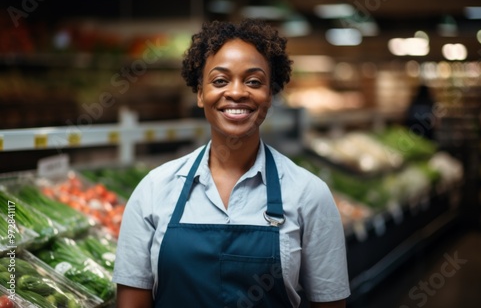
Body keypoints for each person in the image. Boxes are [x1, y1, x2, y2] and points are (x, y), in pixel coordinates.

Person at [112, 18, 350, 308]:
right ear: (200, 93)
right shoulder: (153, 190)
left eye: (253, 81)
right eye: (220, 80)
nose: (236, 92)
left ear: (270, 94)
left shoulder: (309, 194)